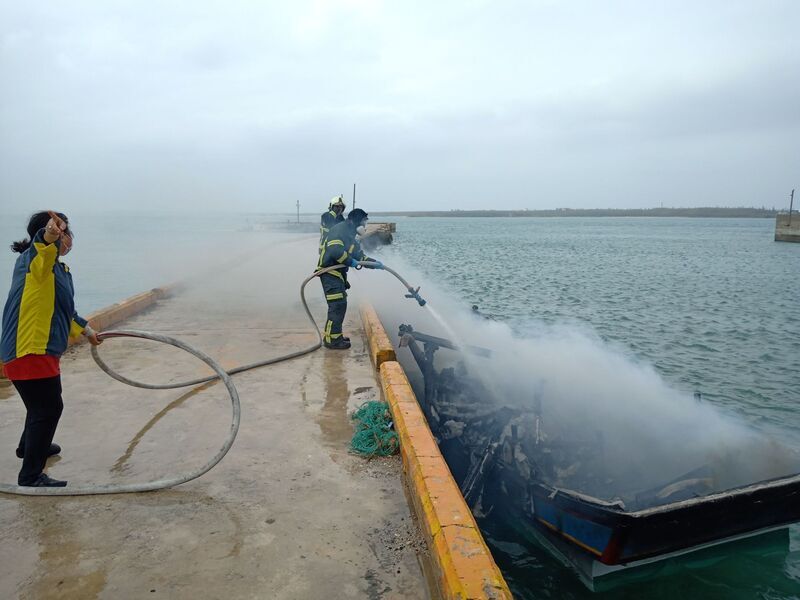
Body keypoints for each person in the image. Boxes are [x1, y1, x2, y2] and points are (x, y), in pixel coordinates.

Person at [1, 211, 102, 487]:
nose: (67, 238)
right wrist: (48, 237)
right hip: (30, 348)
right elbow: (42, 252)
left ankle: (30, 447)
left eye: (66, 233)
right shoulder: (35, 262)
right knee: (48, 408)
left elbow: (65, 310)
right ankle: (31, 475)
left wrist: (87, 330)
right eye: (63, 233)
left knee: (41, 405)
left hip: (41, 350)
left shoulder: (58, 269)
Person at [316, 208, 383, 349]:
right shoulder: (339, 230)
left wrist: (374, 263)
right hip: (329, 273)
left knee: (340, 305)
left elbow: (360, 256)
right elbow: (335, 250)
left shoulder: (350, 236)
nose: (364, 226)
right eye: (363, 222)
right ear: (353, 221)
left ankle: (335, 336)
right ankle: (331, 340)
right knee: (337, 305)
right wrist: (349, 261)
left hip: (337, 274)